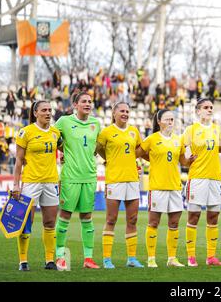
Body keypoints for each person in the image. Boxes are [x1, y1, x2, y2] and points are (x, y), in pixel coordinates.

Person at [138, 109, 191, 268]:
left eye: (172, 120)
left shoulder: (179, 139)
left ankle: (172, 258)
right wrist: (150, 159)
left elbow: (183, 162)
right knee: (153, 223)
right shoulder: (152, 139)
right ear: (159, 121)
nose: (170, 122)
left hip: (175, 186)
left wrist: (190, 160)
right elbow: (139, 153)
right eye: (167, 119)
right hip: (157, 187)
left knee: (174, 223)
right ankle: (151, 259)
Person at [54, 92, 101, 270]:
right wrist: (62, 151)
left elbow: (99, 147)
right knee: (65, 215)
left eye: (90, 101)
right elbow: (51, 139)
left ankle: (88, 259)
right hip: (70, 177)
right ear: (75, 104)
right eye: (84, 101)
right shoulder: (64, 122)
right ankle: (60, 256)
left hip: (89, 176)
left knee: (87, 217)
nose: (88, 104)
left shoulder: (96, 124)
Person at [12, 100, 61, 271]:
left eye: (50, 110)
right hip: (31, 182)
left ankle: (49, 260)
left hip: (51, 182)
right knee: (26, 222)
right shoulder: (26, 133)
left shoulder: (56, 133)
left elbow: (63, 150)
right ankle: (23, 261)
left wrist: (63, 158)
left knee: (49, 222)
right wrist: (16, 185)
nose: (48, 113)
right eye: (44, 110)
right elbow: (18, 161)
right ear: (35, 113)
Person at [96, 102, 144, 269]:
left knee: (133, 219)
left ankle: (132, 258)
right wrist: (108, 158)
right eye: (122, 111)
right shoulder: (106, 132)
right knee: (111, 219)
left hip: (132, 179)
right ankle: (107, 259)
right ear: (114, 113)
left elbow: (139, 149)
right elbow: (98, 148)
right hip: (114, 180)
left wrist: (133, 161)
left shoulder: (134, 131)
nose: (125, 114)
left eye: (127, 111)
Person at [183, 98, 221, 267]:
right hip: (198, 178)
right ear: (198, 111)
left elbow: (220, 150)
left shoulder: (217, 130)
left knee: (213, 216)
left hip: (215, 178)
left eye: (211, 107)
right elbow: (185, 154)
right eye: (205, 107)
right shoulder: (191, 130)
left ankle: (211, 256)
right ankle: (191, 256)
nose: (209, 110)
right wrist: (187, 158)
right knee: (194, 215)